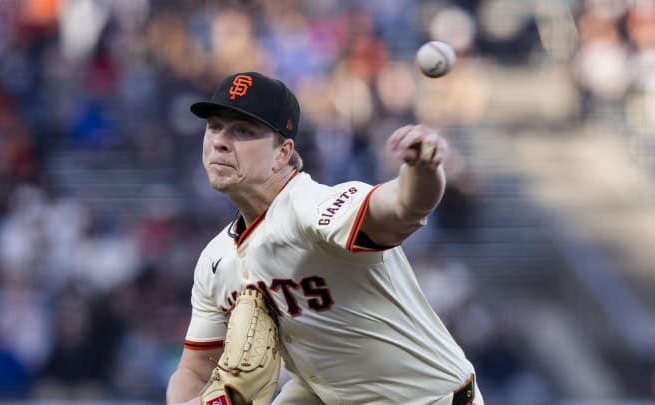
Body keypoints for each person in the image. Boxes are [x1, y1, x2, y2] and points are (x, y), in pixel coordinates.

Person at [166, 71, 483, 405]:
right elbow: (197, 371)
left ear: (282, 152)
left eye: (243, 131)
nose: (220, 140)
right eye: (214, 126)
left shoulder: (311, 209)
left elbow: (402, 207)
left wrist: (424, 170)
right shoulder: (216, 260)